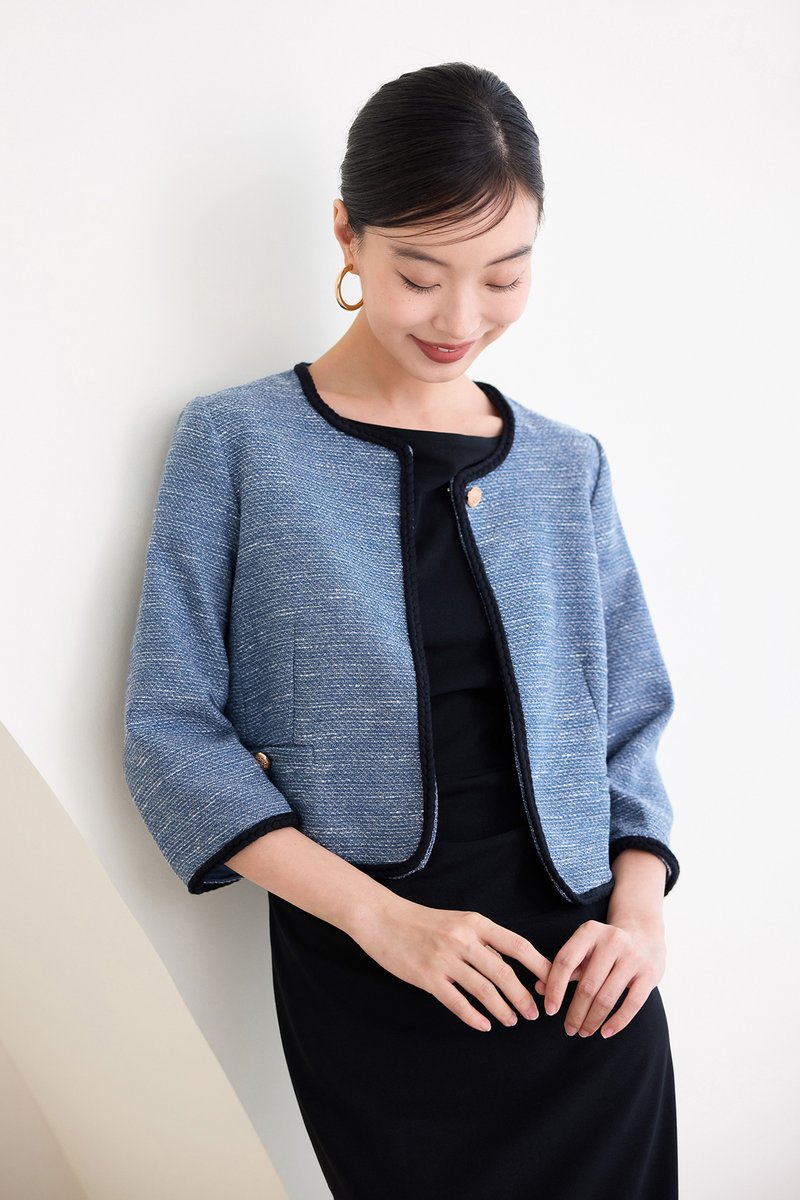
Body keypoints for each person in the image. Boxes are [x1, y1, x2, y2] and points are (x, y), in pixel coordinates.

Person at [123, 62, 680, 1199]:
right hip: (373, 979)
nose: (461, 320)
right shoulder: (237, 445)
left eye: (504, 277)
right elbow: (170, 730)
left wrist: (639, 920)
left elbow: (629, 722)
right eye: (420, 276)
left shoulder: (566, 465)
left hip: (587, 988)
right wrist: (382, 923)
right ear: (348, 234)